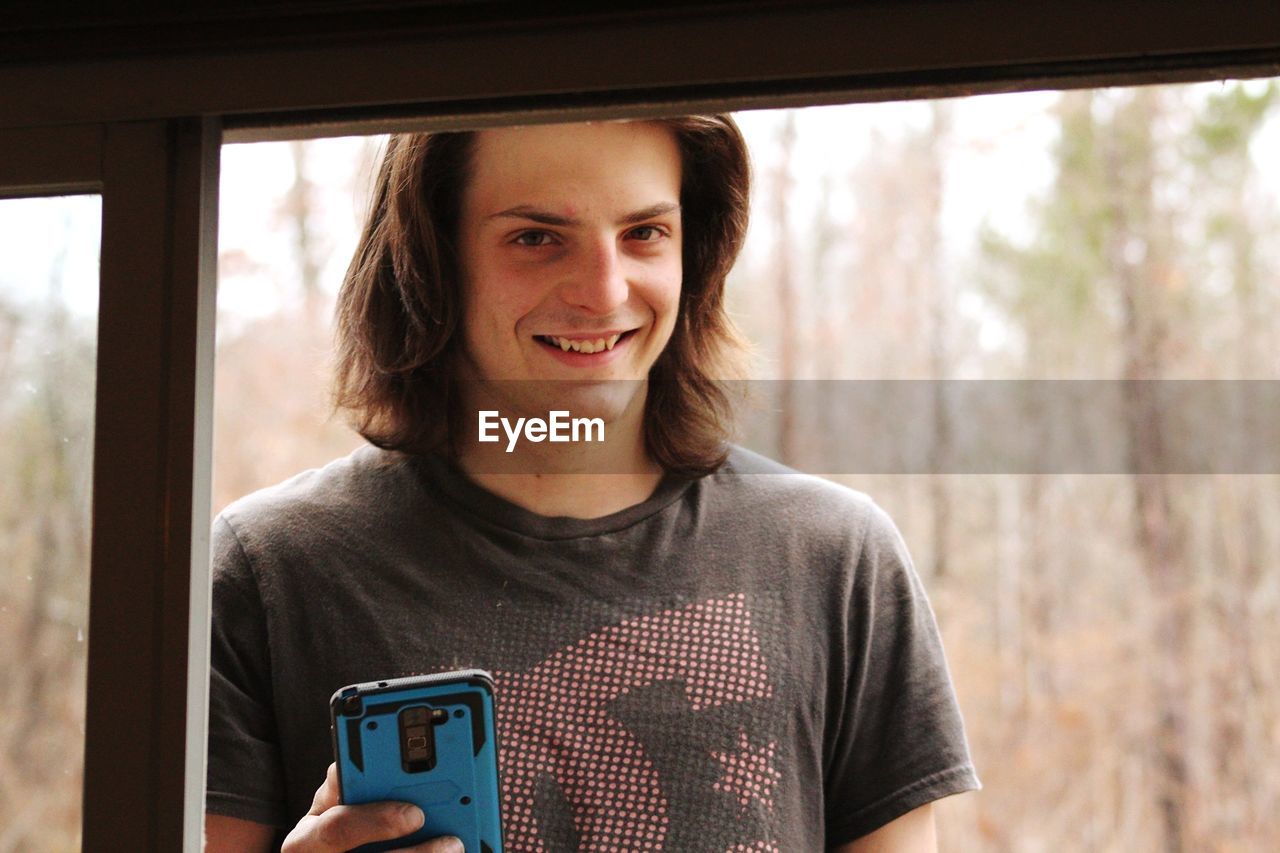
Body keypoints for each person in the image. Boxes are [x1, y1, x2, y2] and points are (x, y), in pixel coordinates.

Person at [204, 115, 979, 852]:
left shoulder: (837, 560)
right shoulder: (269, 570)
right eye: (537, 238)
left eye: (644, 232)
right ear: (434, 261)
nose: (604, 291)